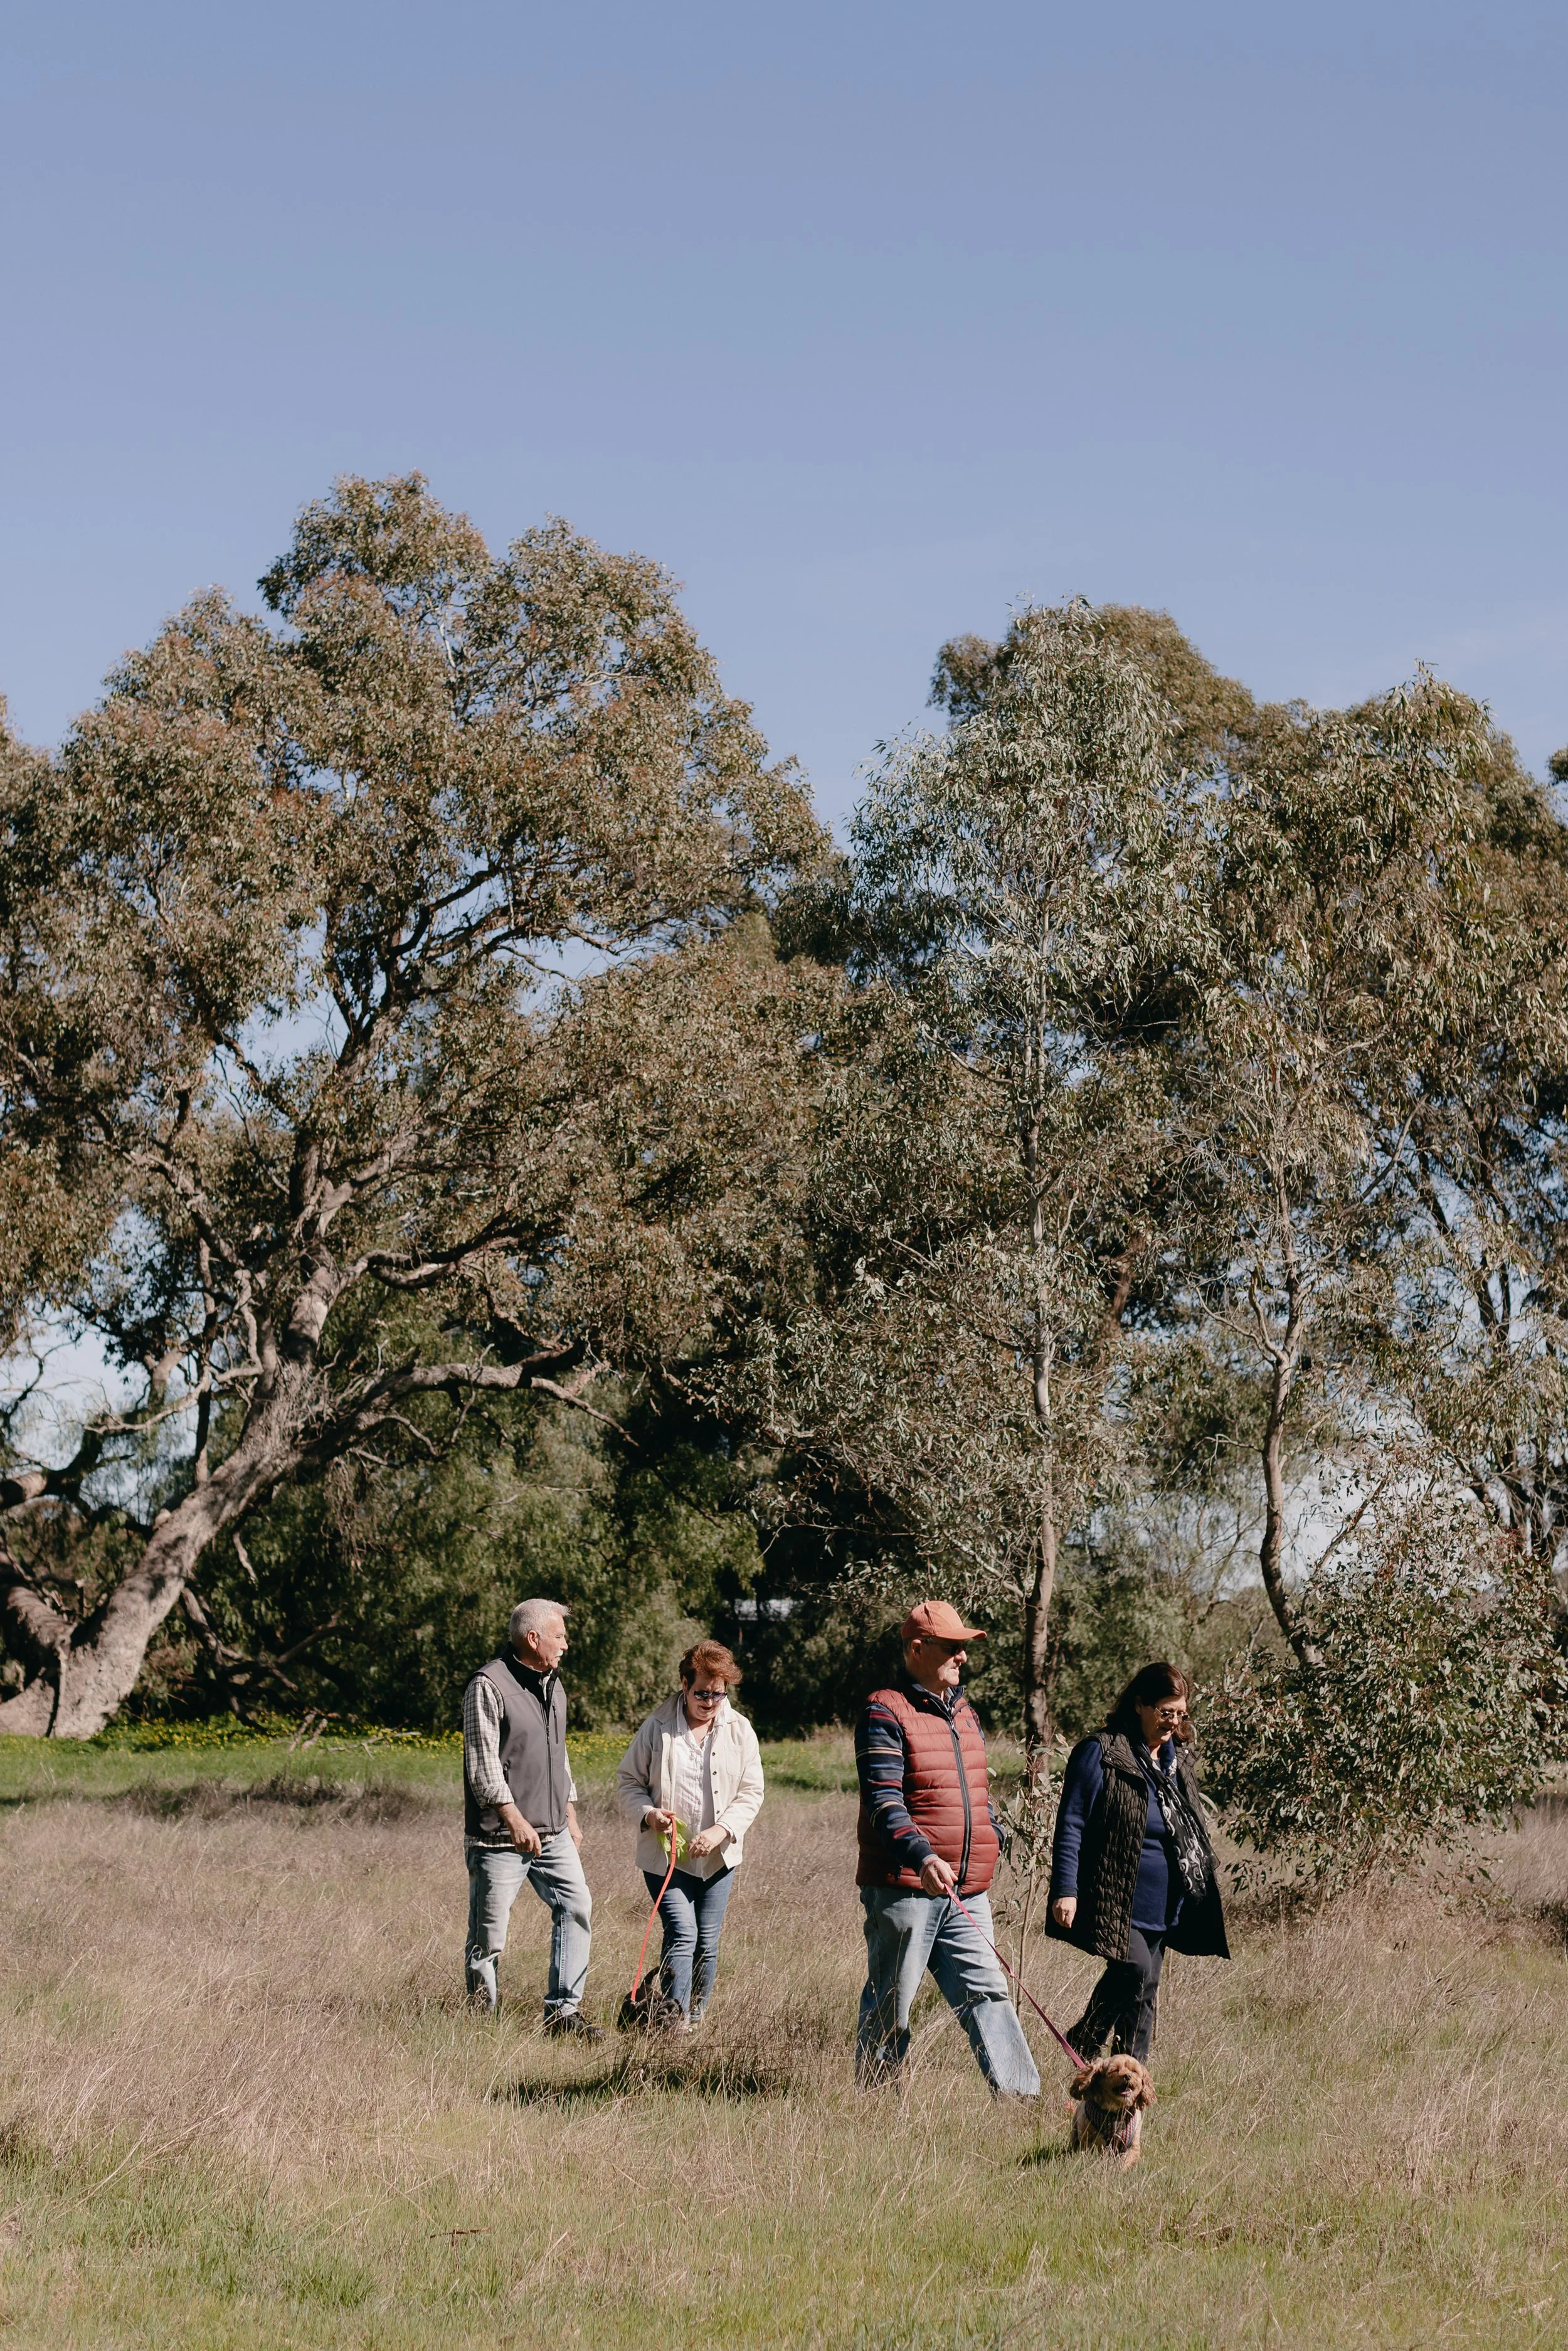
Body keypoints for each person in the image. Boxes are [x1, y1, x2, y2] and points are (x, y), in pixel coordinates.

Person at [854, 1600, 1040, 2100]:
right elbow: (883, 1801)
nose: (962, 1657)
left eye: (964, 1648)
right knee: (892, 2002)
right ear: (918, 1649)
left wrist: (992, 1832)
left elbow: (978, 1791)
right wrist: (922, 1856)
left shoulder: (964, 1712)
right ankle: (873, 2105)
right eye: (953, 1648)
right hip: (905, 1888)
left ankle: (1021, 2101)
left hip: (967, 1891)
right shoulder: (884, 1709)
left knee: (989, 1992)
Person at [1047, 1661, 1229, 2062]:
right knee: (1133, 1971)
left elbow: (1188, 1824)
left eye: (1181, 1714)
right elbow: (1072, 1822)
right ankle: (1083, 2040)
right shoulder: (1102, 1752)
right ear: (1138, 1705)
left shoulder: (1176, 1760)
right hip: (1115, 1893)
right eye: (1165, 1712)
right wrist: (1065, 1889)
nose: (1173, 1722)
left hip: (1166, 1902)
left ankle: (1128, 2093)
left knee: (1145, 1995)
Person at [462, 1597, 603, 2037]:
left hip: (554, 1831)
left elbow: (556, 1756)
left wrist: (571, 1814)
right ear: (533, 1637)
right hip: (501, 1837)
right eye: (559, 1636)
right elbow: (482, 1766)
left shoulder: (553, 1683)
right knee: (490, 1939)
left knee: (577, 1907)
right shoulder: (488, 1685)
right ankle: (481, 2023)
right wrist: (514, 1820)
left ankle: (563, 2014)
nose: (566, 1644)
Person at [616, 1639, 765, 2029]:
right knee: (683, 1932)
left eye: (719, 1694)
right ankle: (673, 2021)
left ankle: (695, 2017)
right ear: (684, 1684)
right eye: (702, 1693)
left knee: (706, 1942)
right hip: (666, 1857)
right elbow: (628, 1781)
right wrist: (649, 1815)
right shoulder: (657, 1728)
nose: (710, 1702)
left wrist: (721, 1831)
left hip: (718, 1858)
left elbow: (752, 1792)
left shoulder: (740, 1730)